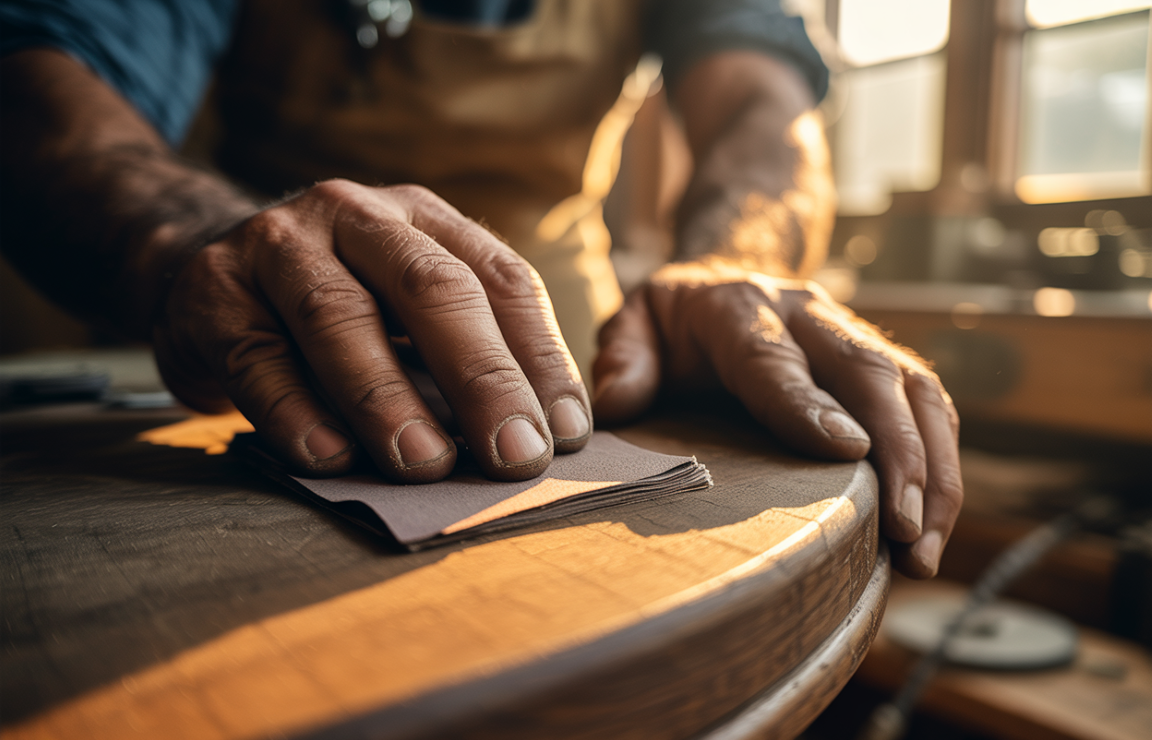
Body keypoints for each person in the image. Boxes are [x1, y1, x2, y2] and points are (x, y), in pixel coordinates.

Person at [0, 0, 962, 578]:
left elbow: (764, 107)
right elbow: (44, 82)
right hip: (256, 343)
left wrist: (735, 256)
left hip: (563, 355)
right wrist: (189, 242)